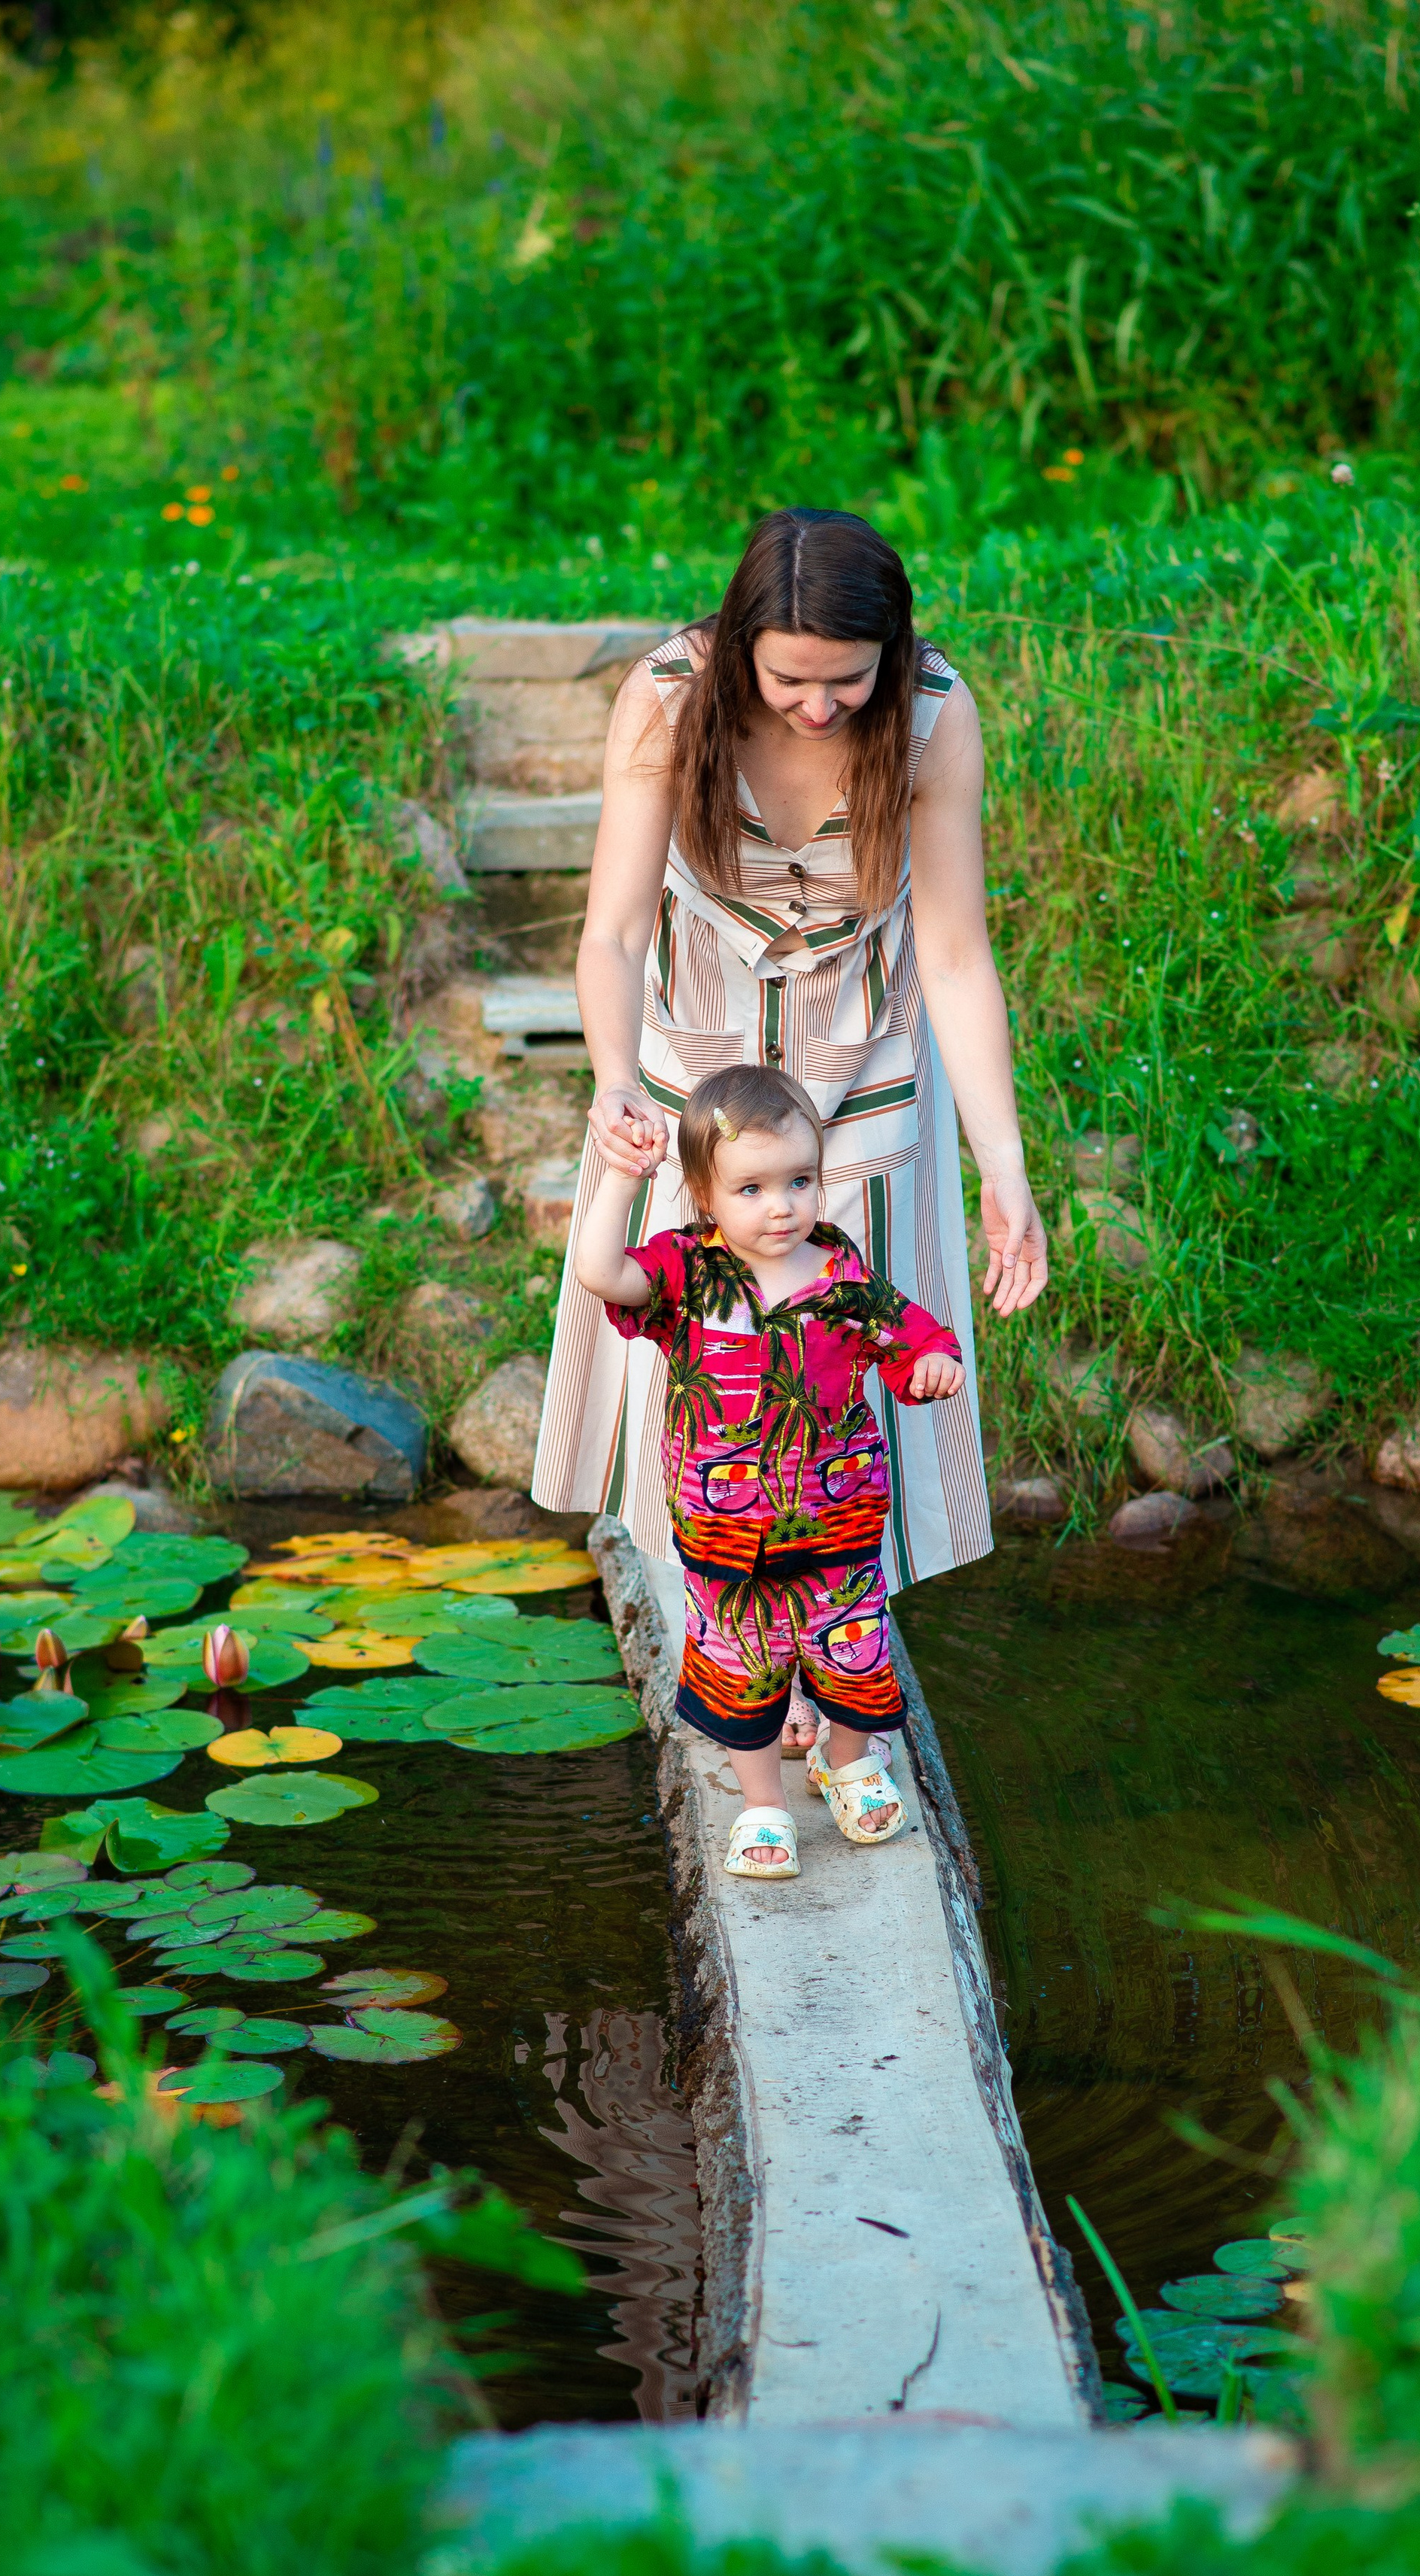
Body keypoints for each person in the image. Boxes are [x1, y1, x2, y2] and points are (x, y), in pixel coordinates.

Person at [532, 503, 1048, 1754]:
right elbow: (608, 932)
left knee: (842, 1351)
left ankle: (842, 1639)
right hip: (698, 1066)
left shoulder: (930, 714)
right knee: (705, 1350)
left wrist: (1005, 1170)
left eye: (847, 682)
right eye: (791, 681)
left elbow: (958, 953)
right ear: (743, 649)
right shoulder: (669, 696)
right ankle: (723, 1627)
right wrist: (614, 1083)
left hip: (862, 1058)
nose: (821, 707)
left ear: (892, 654)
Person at [572, 1064, 965, 1879]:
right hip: (727, 1534)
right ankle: (762, 1802)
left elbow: (912, 1331)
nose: (781, 1204)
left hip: (840, 1524)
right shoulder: (686, 1272)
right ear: (704, 1195)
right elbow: (600, 1274)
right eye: (750, 1188)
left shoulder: (840, 1277)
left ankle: (847, 1761)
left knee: (855, 1654)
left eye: (799, 1180)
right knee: (741, 1669)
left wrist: (931, 1362)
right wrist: (617, 1178)